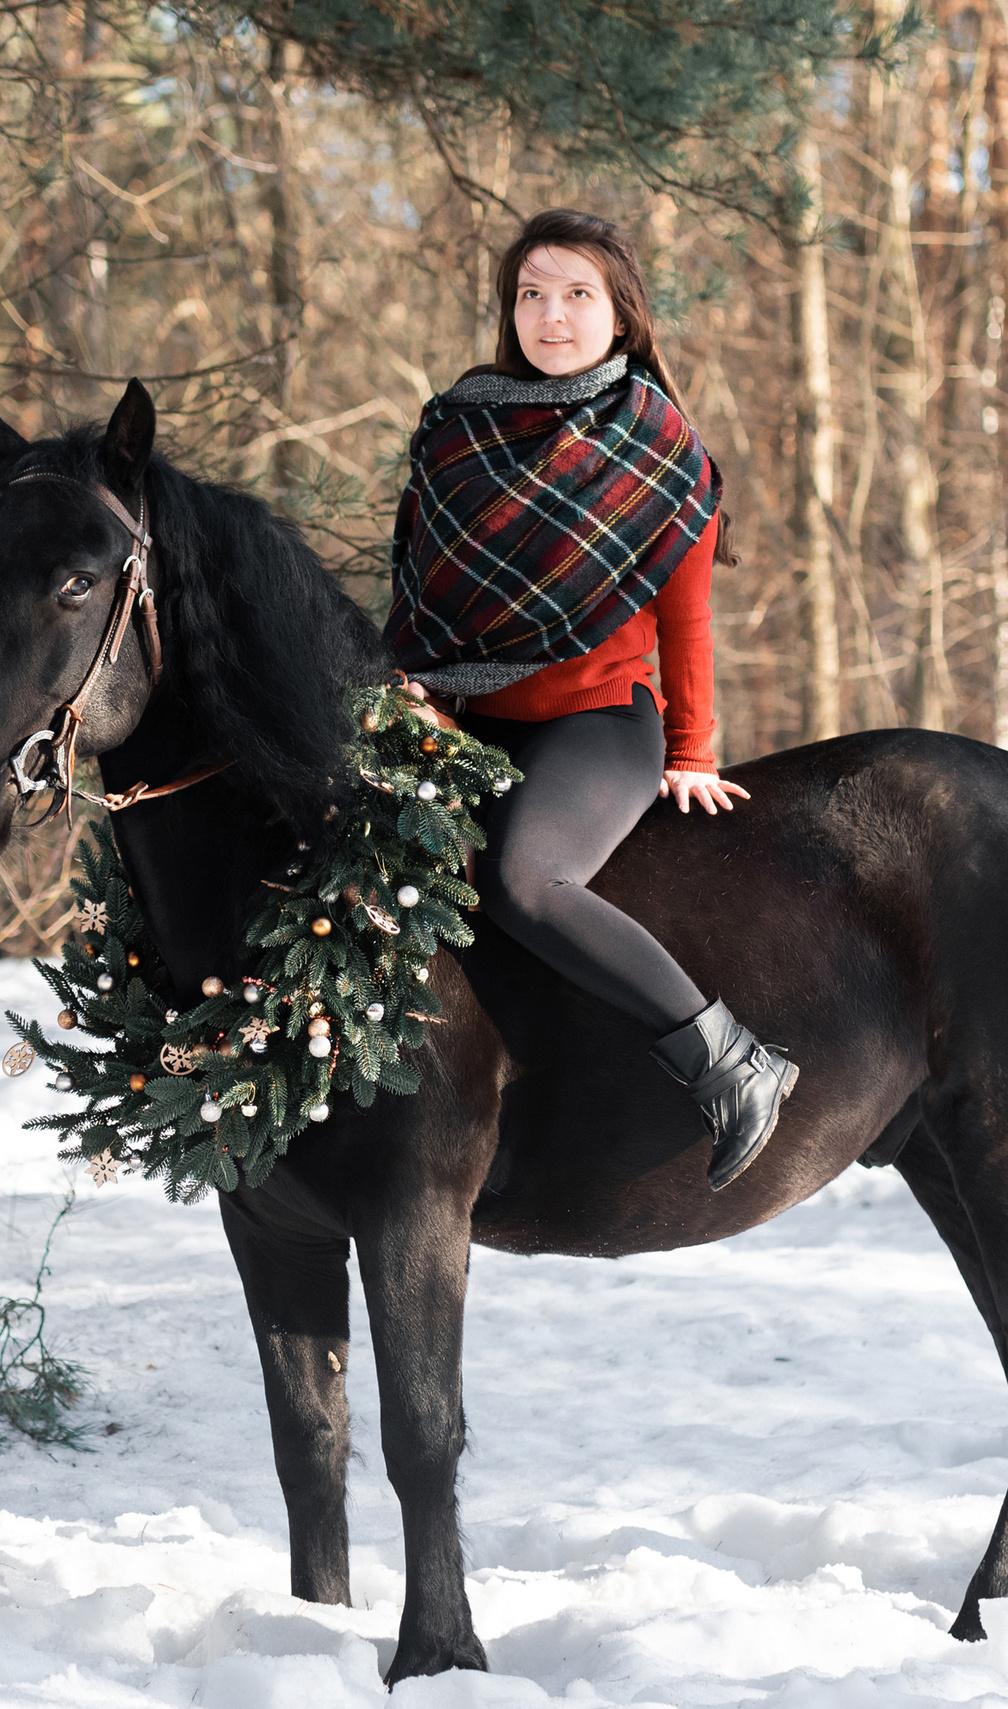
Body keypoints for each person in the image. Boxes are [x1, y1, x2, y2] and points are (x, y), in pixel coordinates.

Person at [384, 208, 798, 1191]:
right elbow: (419, 597)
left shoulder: (655, 445)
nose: (551, 315)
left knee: (528, 882)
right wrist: (415, 696)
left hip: (598, 723)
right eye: (530, 294)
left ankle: (730, 1058)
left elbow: (685, 623)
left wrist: (693, 750)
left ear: (620, 316)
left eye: (577, 295)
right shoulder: (455, 432)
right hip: (465, 724)